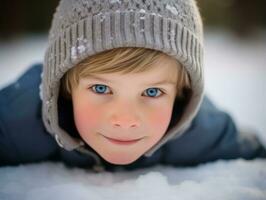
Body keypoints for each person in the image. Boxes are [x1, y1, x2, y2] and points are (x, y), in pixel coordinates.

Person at [0, 0, 265, 172]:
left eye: (152, 92)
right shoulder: (17, 121)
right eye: (101, 89)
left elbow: (253, 154)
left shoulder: (201, 132)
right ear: (66, 87)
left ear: (181, 94)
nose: (125, 120)